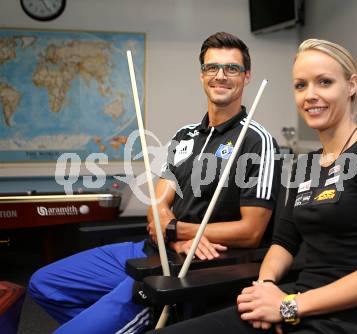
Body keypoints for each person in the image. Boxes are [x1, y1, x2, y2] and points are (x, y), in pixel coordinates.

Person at [147, 39, 357, 334]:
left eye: (324, 82)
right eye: (301, 85)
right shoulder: (302, 166)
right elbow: (283, 243)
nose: (310, 95)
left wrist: (288, 306)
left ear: (351, 85)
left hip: (351, 321)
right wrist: (265, 289)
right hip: (295, 304)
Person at [28, 32, 281, 334]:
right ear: (202, 75)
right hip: (149, 250)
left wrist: (176, 231)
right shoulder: (184, 136)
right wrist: (172, 235)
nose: (221, 76)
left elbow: (251, 231)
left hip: (185, 266)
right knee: (44, 284)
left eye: (232, 68)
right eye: (212, 67)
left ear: (247, 76)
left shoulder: (257, 140)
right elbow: (157, 205)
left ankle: (131, 316)